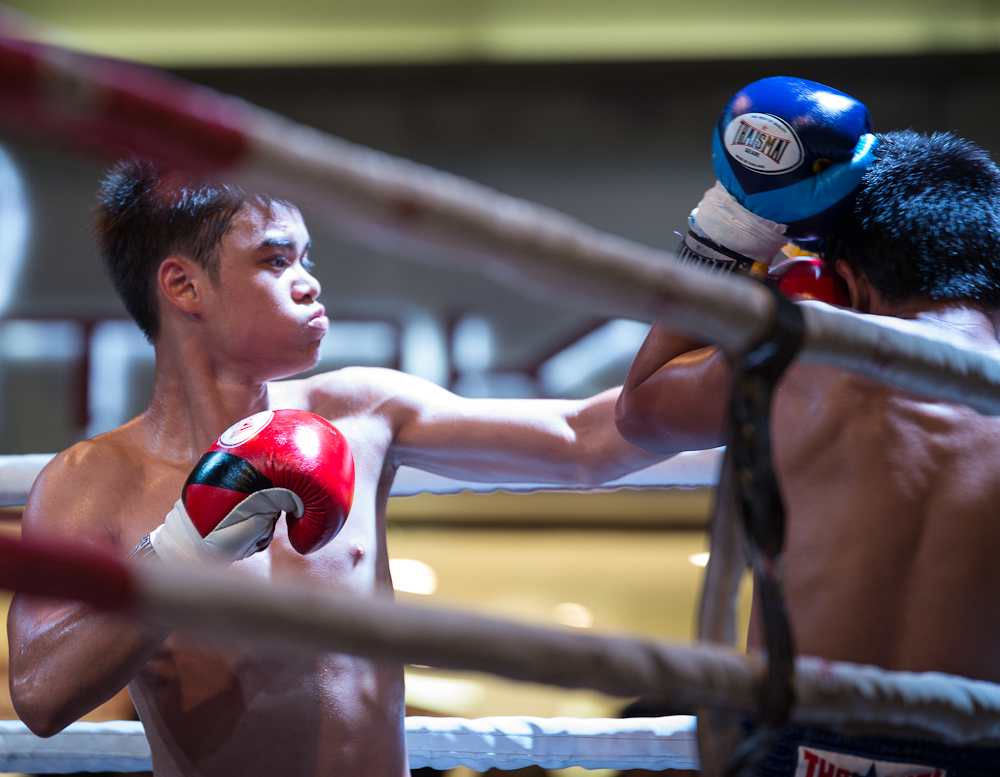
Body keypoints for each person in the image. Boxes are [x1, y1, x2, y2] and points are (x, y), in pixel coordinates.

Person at [6, 160, 664, 777]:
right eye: (276, 259)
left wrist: (710, 281)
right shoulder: (93, 481)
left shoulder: (361, 413)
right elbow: (39, 696)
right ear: (184, 285)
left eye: (306, 257)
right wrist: (180, 551)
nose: (309, 281)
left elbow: (588, 437)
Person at [616, 130, 1000, 775]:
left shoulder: (807, 355)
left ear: (843, 278)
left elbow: (642, 408)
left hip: (796, 724)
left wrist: (732, 226)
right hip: (975, 731)